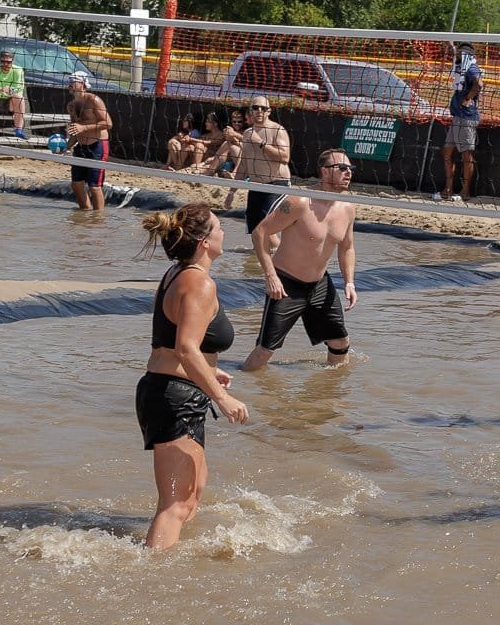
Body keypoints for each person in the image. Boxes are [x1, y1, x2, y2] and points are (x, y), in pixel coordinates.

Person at [136, 203, 249, 549]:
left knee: (193, 494)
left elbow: (171, 342)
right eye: (218, 228)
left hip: (171, 390)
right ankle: (149, 579)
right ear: (203, 241)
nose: (223, 232)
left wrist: (211, 372)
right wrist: (222, 396)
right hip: (173, 398)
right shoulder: (199, 283)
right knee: (175, 505)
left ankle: (176, 569)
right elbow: (186, 348)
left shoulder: (175, 273)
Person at [240, 150, 362, 371]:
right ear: (324, 171)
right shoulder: (299, 202)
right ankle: (239, 387)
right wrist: (270, 276)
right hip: (286, 284)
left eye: (351, 169)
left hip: (320, 284)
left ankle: (329, 396)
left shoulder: (347, 208)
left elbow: (347, 247)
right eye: (342, 168)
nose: (348, 174)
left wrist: (349, 282)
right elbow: (260, 232)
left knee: (340, 343)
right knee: (265, 351)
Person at [434, 41, 482, 202]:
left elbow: (478, 84)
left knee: (466, 154)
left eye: (461, 53)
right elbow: (454, 53)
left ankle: (465, 191)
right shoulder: (462, 66)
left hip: (466, 117)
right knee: (447, 151)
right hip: (458, 117)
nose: (458, 55)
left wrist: (467, 99)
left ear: (467, 54)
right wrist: (450, 43)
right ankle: (448, 188)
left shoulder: (472, 68)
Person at [238, 97, 292, 241]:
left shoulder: (277, 130)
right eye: (255, 108)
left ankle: (281, 260)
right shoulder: (247, 133)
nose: (259, 111)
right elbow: (244, 162)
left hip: (276, 185)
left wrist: (261, 143)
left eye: (263, 108)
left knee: (265, 229)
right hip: (256, 186)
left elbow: (285, 157)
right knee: (255, 233)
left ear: (269, 111)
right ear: (250, 111)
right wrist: (232, 189)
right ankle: (258, 262)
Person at [64, 72, 113, 211]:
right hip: (81, 146)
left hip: (98, 145)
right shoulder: (71, 105)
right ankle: (85, 212)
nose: (71, 84)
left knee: (94, 186)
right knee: (76, 184)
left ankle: (98, 218)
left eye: (75, 81)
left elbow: (108, 123)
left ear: (83, 84)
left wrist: (84, 127)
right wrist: (67, 146)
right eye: (70, 81)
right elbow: (76, 130)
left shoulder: (94, 100)